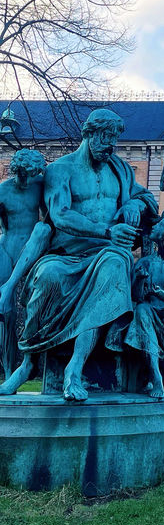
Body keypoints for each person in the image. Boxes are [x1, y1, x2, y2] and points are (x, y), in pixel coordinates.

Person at [0, 108, 158, 401]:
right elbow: (59, 215)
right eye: (106, 137)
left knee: (113, 267)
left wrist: (136, 206)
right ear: (88, 134)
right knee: (47, 277)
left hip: (108, 253)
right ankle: (27, 365)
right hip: (64, 254)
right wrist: (106, 230)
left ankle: (75, 368)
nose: (111, 145)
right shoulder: (61, 169)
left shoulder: (120, 169)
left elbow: (148, 198)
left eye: (115, 139)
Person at [118, 210, 164, 399]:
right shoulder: (144, 262)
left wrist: (160, 293)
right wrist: (139, 280)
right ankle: (156, 377)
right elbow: (134, 296)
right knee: (142, 309)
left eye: (159, 225)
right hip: (147, 312)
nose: (154, 227)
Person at [0, 149, 46, 377]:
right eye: (24, 175)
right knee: (5, 312)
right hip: (8, 249)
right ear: (16, 170)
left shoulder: (39, 184)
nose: (28, 180)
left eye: (33, 174)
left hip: (34, 250)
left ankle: (32, 364)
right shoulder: (3, 191)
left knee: (35, 307)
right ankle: (8, 371)